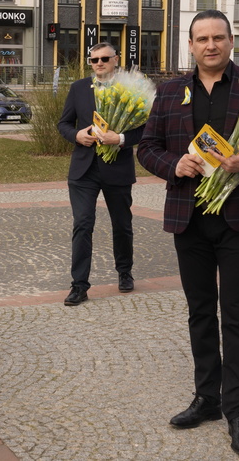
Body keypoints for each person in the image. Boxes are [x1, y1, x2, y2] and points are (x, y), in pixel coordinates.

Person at [137, 10, 239, 456]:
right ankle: (207, 397)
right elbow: (146, 148)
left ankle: (238, 408)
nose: (211, 45)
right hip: (189, 218)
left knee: (237, 315)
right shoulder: (169, 92)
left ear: (230, 41)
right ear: (190, 45)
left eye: (218, 37)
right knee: (200, 311)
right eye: (202, 38)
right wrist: (174, 164)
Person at [57, 43, 144, 306]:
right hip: (84, 170)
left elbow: (146, 127)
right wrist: (77, 135)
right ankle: (79, 285)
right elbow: (63, 123)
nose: (99, 63)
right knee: (83, 225)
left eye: (105, 58)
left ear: (115, 60)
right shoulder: (79, 88)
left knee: (122, 224)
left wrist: (120, 138)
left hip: (117, 167)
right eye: (93, 59)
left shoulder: (130, 89)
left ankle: (124, 272)